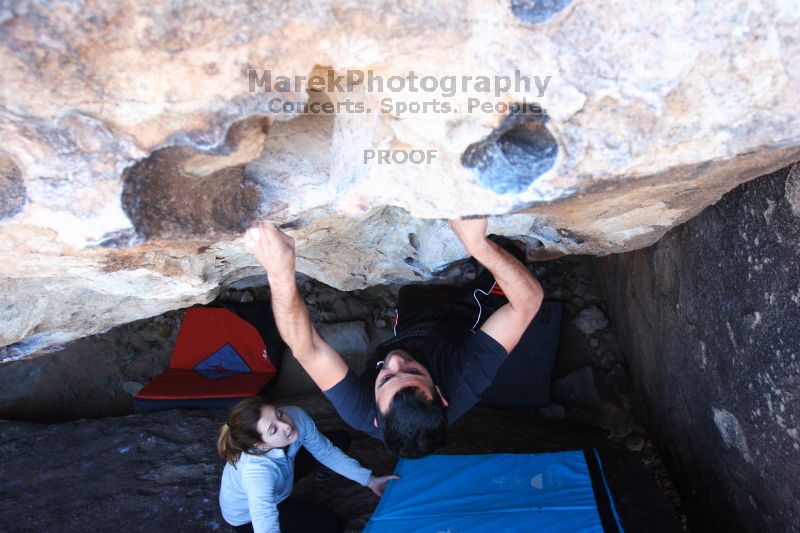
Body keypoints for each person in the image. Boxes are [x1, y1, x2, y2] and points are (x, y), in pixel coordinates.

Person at [244, 217, 544, 458]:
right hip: (462, 324)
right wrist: (477, 243)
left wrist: (279, 271)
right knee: (510, 256)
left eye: (385, 378)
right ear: (440, 394)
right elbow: (527, 303)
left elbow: (306, 348)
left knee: (411, 293)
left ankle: (462, 279)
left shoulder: (360, 409)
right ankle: (474, 275)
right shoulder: (466, 378)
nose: (396, 360)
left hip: (415, 328)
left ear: (375, 416)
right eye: (413, 373)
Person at [217, 398, 397, 533]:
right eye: (273, 429)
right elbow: (263, 515)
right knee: (328, 524)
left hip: (283, 471)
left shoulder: (295, 416)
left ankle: (287, 479)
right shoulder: (256, 471)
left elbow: (325, 451)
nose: (285, 425)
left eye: (279, 413)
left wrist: (369, 480)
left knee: (339, 439)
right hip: (248, 514)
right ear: (260, 445)